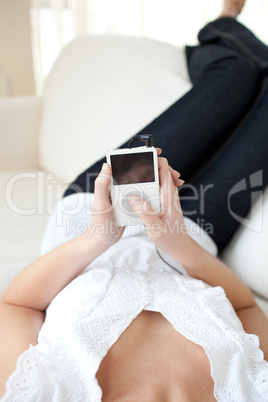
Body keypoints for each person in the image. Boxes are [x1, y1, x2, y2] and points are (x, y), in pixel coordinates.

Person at [1, 0, 268, 400]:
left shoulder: (43, 392)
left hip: (94, 218)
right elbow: (247, 309)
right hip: (191, 234)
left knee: (236, 73)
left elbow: (16, 305)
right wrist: (177, 241)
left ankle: (223, 23)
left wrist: (98, 237)